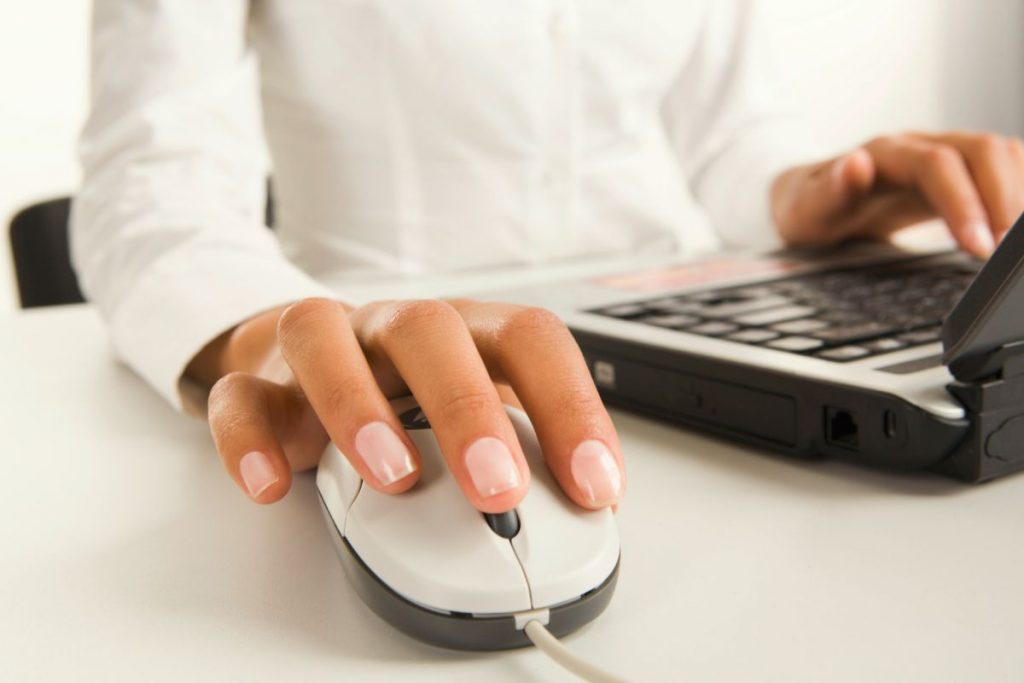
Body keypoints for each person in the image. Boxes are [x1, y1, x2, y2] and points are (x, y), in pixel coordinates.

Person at [72, 1, 1024, 515]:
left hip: (692, 316)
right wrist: (270, 335)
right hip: (397, 373)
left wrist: (812, 191)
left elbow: (728, 135)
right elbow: (150, 175)